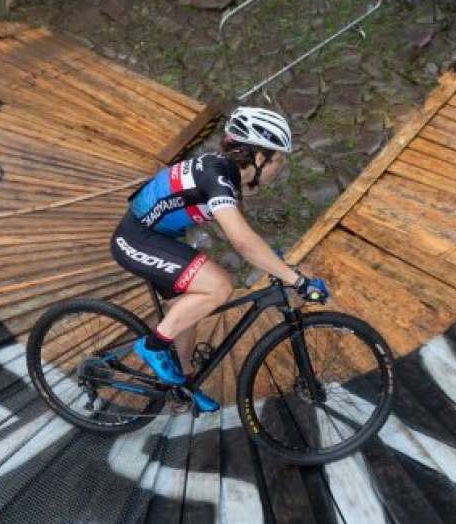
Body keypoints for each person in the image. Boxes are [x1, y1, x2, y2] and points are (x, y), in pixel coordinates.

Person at [110, 106, 329, 412]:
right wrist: (298, 281)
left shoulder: (226, 175)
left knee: (187, 311)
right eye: (278, 158)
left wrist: (273, 262)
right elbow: (240, 242)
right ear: (257, 156)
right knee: (219, 286)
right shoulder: (217, 177)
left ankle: (182, 384)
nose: (280, 167)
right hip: (136, 239)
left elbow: (241, 230)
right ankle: (153, 346)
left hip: (159, 239)